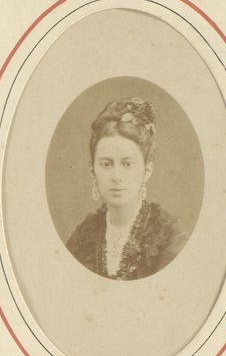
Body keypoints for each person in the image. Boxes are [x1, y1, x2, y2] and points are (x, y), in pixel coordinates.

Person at [66, 97, 188, 280]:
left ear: (147, 170)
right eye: (106, 164)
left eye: (127, 164)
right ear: (93, 171)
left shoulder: (169, 236)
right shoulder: (83, 236)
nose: (116, 176)